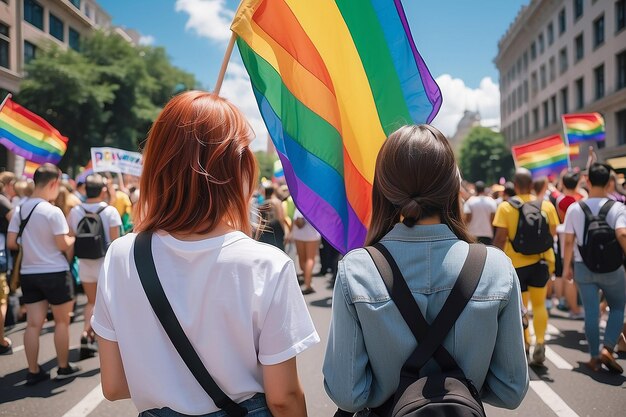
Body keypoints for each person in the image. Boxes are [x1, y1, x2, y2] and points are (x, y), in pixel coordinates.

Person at [92, 91, 318, 417]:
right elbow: (283, 398)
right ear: (238, 170)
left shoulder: (119, 256)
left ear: (157, 163)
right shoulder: (267, 264)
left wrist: (166, 383)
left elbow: (113, 386)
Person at [323, 125, 528, 413]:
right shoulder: (496, 268)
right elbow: (511, 390)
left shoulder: (357, 270)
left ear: (384, 187)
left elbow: (347, 394)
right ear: (451, 185)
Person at [7, 164, 80, 384]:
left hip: (29, 273)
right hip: (55, 272)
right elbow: (62, 244)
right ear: (53, 183)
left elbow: (12, 242)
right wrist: (73, 238)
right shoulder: (52, 211)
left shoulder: (20, 209)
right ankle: (63, 367)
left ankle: (33, 371)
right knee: (61, 322)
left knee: (32, 324)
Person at [562, 163, 626, 373]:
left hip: (583, 266)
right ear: (609, 183)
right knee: (617, 307)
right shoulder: (618, 208)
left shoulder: (575, 208)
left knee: (591, 312)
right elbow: (622, 234)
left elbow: (569, 242)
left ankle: (594, 356)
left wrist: (566, 268)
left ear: (587, 181)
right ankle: (609, 347)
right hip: (613, 269)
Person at [493, 168, 559, 366]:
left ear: (514, 183)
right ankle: (541, 341)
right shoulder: (546, 206)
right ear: (532, 185)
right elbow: (552, 235)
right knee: (539, 305)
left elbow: (500, 238)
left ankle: (526, 343)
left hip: (515, 265)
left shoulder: (505, 207)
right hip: (540, 263)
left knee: (520, 308)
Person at [68, 174, 121, 359]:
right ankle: (99, 339)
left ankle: (85, 333)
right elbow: (115, 242)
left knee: (91, 302)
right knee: (108, 306)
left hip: (84, 263)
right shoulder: (110, 212)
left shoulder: (75, 211)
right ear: (103, 190)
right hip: (105, 263)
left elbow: (71, 237)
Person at [292, 208, 321, 295]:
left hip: (299, 234)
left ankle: (308, 280)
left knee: (302, 259)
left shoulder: (298, 203)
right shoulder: (314, 203)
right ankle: (308, 283)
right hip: (312, 234)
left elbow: (296, 220)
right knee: (310, 259)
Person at [0, 174, 14, 354]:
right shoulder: (3, 201)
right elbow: (14, 223)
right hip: (1, 255)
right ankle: (1, 339)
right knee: (1, 300)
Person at [463, 180, 497, 245]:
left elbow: (467, 219)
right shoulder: (491, 201)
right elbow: (493, 219)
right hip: (487, 234)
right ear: (484, 189)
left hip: (472, 234)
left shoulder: (470, 201)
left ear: (475, 189)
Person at [257, 184, 288, 251]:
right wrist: (285, 231)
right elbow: (280, 217)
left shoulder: (262, 204)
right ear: (273, 192)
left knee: (268, 249)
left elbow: (260, 221)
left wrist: (257, 236)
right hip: (276, 227)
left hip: (266, 228)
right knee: (279, 249)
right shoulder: (276, 202)